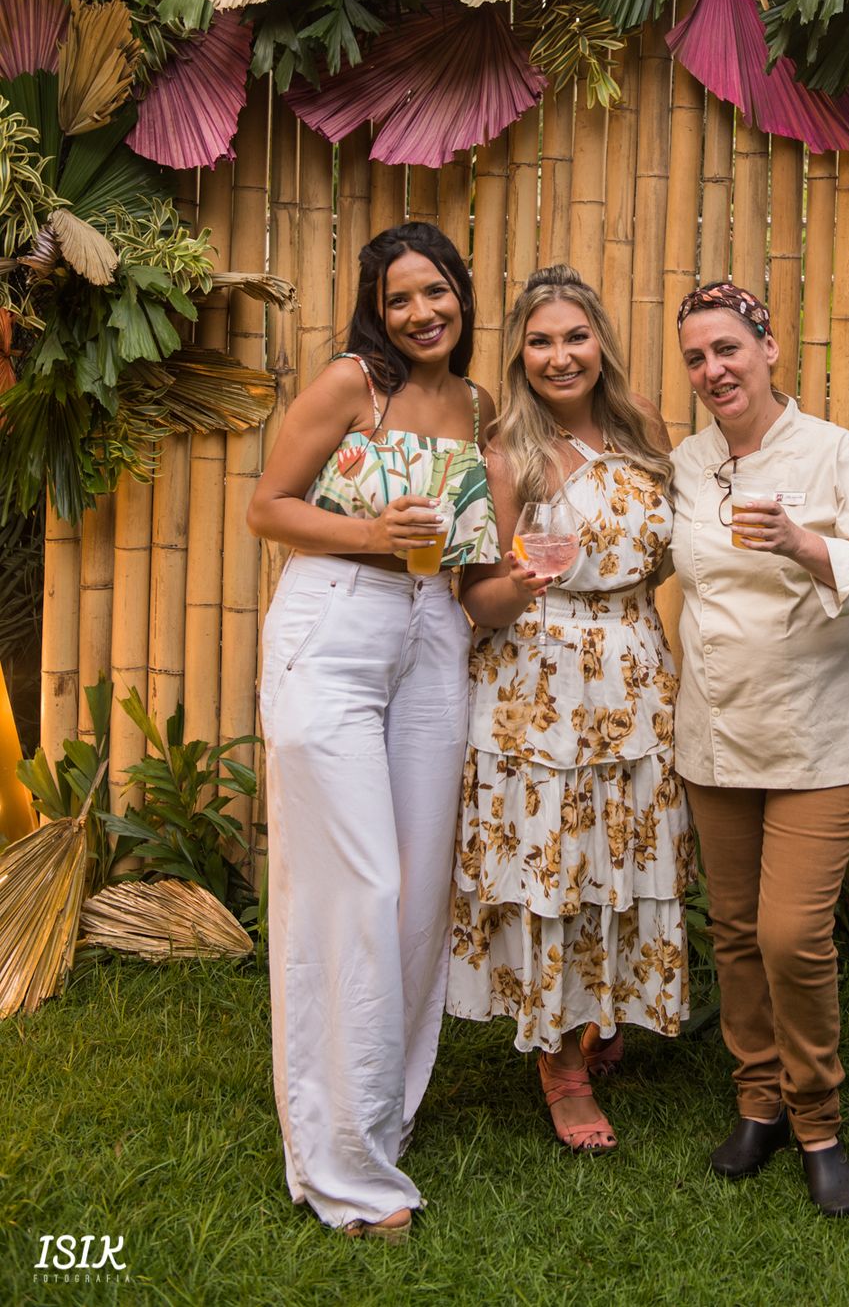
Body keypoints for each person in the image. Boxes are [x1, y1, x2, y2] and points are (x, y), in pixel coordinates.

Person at [247, 222, 498, 1241]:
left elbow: (474, 555)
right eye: (399, 298)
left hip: (434, 631)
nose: (421, 312)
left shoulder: (478, 405)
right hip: (336, 623)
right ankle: (344, 1171)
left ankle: (379, 1115)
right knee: (355, 887)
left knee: (416, 893)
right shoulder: (353, 384)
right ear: (375, 309)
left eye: (436, 291)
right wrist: (368, 532)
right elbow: (268, 507)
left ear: (463, 294)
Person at [670, 281, 849, 1217]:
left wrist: (805, 544)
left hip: (822, 733)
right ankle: (757, 1103)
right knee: (735, 931)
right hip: (718, 731)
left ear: (768, 349)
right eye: (696, 357)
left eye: (728, 348)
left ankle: (818, 1119)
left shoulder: (835, 451)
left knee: (791, 934)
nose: (713, 370)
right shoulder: (687, 463)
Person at [447, 265, 693, 1153]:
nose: (560, 356)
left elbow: (664, 555)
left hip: (633, 667)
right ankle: (559, 1065)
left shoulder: (644, 429)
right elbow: (478, 602)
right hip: (539, 682)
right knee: (553, 864)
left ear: (600, 343)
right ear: (520, 353)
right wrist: (521, 581)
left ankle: (604, 1006)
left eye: (575, 337)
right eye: (541, 341)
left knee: (620, 849)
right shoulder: (505, 454)